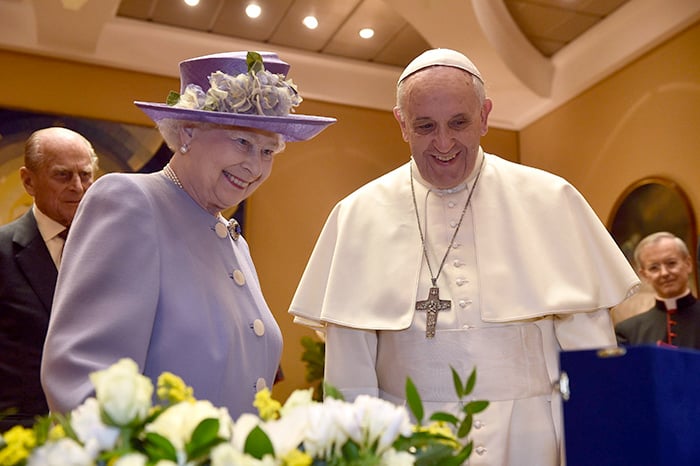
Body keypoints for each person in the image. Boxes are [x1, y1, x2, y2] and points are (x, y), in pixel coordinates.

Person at [288, 48, 639, 466]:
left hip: (531, 438)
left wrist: (593, 446)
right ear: (401, 123)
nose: (444, 143)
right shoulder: (358, 214)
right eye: (424, 126)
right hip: (407, 439)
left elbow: (588, 356)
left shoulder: (550, 200)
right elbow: (349, 372)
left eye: (459, 123)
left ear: (485, 115)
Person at [41, 51, 335, 417]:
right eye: (242, 142)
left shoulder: (235, 243)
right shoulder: (130, 201)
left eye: (267, 151)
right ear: (187, 133)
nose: (255, 166)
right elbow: (86, 383)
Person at [0, 127, 97, 431]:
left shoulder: (117, 251)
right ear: (28, 181)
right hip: (21, 438)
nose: (78, 187)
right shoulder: (2, 252)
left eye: (85, 175)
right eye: (63, 175)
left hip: (100, 436)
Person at [616, 232, 700, 348]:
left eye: (671, 263)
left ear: (688, 264)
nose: (664, 273)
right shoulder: (628, 332)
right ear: (644, 275)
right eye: (654, 268)